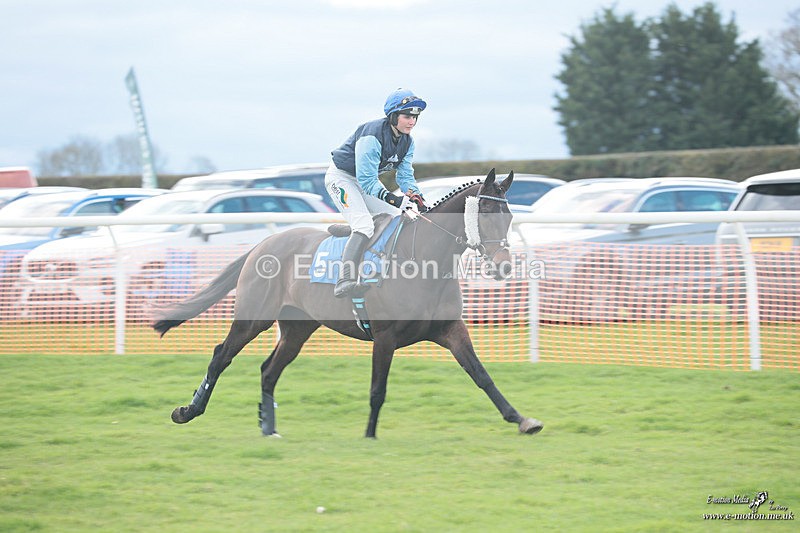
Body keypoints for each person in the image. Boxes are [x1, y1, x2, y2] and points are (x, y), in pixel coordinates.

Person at [325, 88, 428, 298]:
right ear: (393, 116)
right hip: (342, 178)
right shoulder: (372, 134)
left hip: (364, 182)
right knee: (364, 225)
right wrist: (395, 199)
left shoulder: (408, 142)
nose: (412, 122)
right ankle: (344, 280)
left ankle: (355, 232)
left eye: (415, 117)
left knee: (397, 217)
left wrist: (416, 196)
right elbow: (368, 180)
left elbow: (405, 176)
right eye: (407, 116)